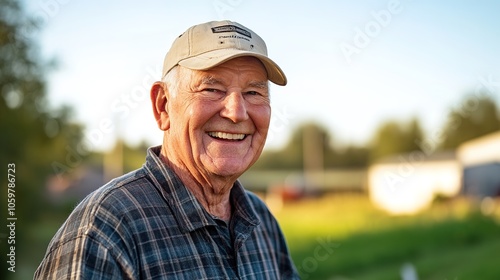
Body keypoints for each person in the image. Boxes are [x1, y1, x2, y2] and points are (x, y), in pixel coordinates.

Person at [34, 20, 299, 279]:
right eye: (212, 88)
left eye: (253, 93)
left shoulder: (261, 221)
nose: (236, 112)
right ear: (163, 106)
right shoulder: (106, 227)